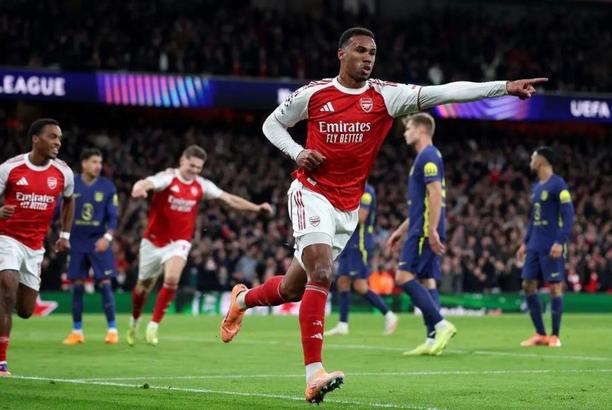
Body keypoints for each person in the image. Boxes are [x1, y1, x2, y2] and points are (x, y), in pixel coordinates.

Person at [219, 26, 546, 404]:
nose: (368, 58)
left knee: (293, 288)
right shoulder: (313, 94)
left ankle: (241, 301)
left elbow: (446, 92)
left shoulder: (386, 96)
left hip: (347, 209)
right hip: (311, 193)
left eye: (372, 52)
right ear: (342, 54)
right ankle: (314, 374)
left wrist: (504, 87)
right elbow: (271, 124)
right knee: (322, 272)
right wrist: (297, 152)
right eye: (360, 50)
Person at [127, 145, 272, 346]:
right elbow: (147, 182)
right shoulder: (168, 178)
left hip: (179, 242)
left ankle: (153, 326)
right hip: (152, 242)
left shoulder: (201, 185)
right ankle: (134, 321)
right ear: (182, 160)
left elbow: (228, 199)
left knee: (172, 278)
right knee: (143, 287)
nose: (195, 170)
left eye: (199, 167)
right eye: (192, 166)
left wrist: (256, 208)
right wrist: (139, 188)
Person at [0, 118, 74, 376]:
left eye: (60, 138)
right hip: (6, 237)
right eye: (52, 137)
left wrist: (64, 234)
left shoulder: (63, 172)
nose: (58, 142)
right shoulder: (11, 168)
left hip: (34, 246)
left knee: (26, 311)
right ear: (36, 139)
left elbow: (69, 200)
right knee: (7, 296)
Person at [387, 113, 448, 356]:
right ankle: (432, 340)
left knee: (403, 276)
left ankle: (441, 325)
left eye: (409, 128)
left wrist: (431, 229)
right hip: (420, 225)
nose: (405, 132)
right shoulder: (426, 157)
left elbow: (436, 194)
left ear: (421, 130)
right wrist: (400, 230)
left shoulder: (428, 156)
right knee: (426, 279)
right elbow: (421, 204)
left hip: (423, 229)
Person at [516, 147, 574, 347]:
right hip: (534, 244)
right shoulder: (536, 187)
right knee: (527, 285)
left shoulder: (559, 185)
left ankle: (555, 335)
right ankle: (540, 334)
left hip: (551, 244)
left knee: (555, 287)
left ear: (541, 160)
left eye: (533, 157)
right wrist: (525, 243)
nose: (530, 160)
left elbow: (569, 216)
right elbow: (533, 219)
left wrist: (560, 241)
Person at [324, 182, 398, 336]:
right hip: (348, 241)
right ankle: (343, 324)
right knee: (343, 282)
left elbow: (362, 217)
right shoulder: (351, 189)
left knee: (360, 286)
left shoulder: (366, 192)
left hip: (360, 243)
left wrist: (339, 214)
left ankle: (389, 315)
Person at [62, 148, 120, 345]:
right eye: (94, 162)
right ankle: (77, 331)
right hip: (77, 242)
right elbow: (60, 210)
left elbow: (113, 217)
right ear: (84, 163)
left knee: (105, 283)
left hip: (98, 243)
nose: (98, 166)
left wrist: (107, 238)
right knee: (77, 286)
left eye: (100, 162)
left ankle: (112, 330)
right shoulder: (72, 184)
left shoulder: (107, 187)